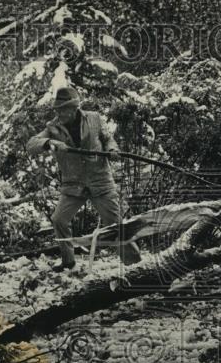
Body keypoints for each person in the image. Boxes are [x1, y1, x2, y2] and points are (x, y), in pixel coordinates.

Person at [26, 86, 142, 271]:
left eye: (63, 109)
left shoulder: (94, 118)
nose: (59, 113)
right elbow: (31, 144)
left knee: (115, 226)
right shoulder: (53, 127)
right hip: (73, 185)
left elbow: (107, 138)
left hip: (100, 182)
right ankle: (68, 261)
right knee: (59, 220)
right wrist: (50, 142)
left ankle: (137, 266)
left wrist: (112, 150)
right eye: (57, 109)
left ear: (74, 108)